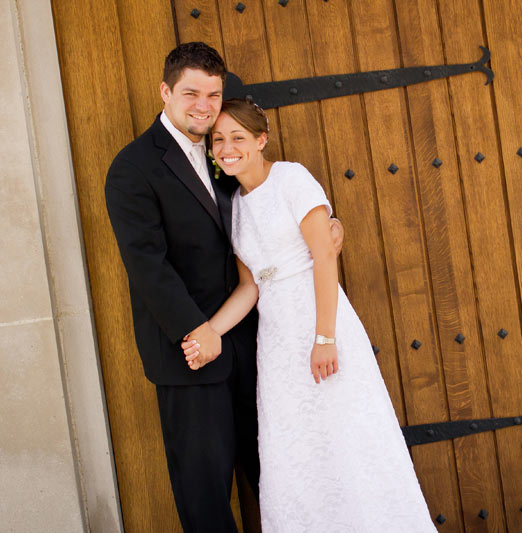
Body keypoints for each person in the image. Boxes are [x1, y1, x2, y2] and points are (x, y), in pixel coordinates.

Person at [105, 42, 342, 532]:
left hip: (256, 344)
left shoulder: (224, 148)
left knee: (277, 476)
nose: (203, 105)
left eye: (213, 94)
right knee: (206, 496)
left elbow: (261, 218)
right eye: (191, 92)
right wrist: (198, 333)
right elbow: (148, 265)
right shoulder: (132, 169)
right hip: (191, 355)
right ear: (165, 92)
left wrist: (324, 229)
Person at [182, 99, 437, 532]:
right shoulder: (236, 206)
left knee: (348, 437)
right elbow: (250, 287)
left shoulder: (291, 179)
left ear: (261, 140)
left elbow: (323, 257)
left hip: (321, 324)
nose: (227, 148)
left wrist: (324, 338)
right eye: (219, 139)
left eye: (238, 138)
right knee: (297, 450)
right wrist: (210, 331)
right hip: (277, 343)